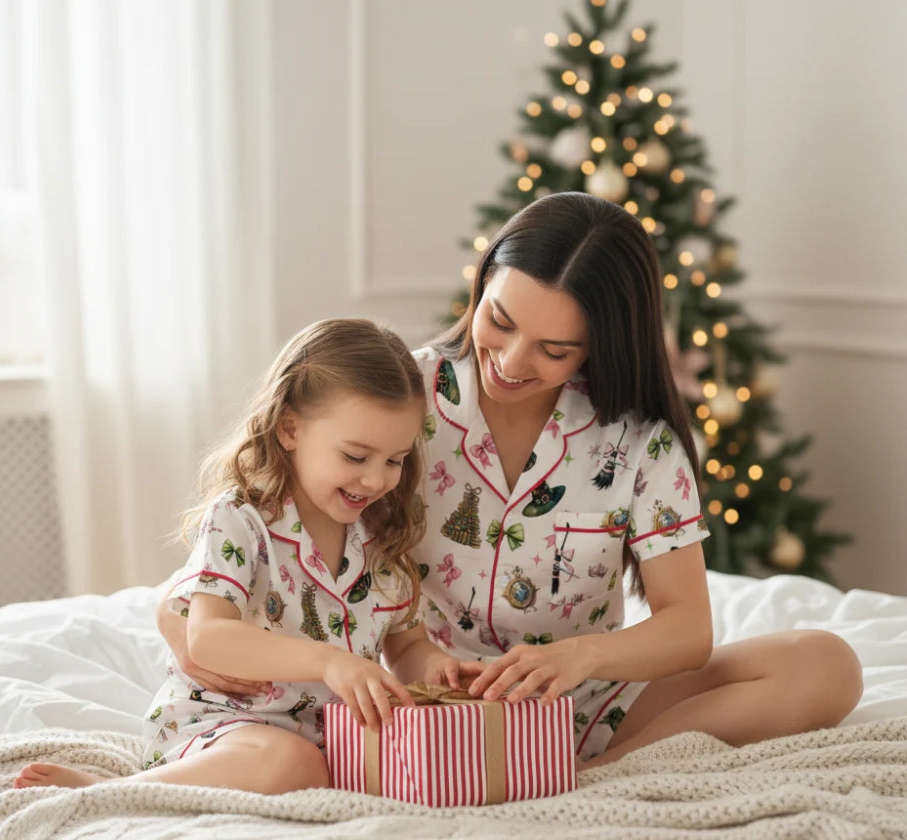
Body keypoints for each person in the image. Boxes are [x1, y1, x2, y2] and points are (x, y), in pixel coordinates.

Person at [159, 193, 863, 771]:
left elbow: (689, 629)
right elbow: (259, 536)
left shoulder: (639, 443)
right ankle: (548, 775)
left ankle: (592, 779)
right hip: (429, 708)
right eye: (499, 320)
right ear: (483, 284)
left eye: (555, 350)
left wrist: (579, 657)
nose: (511, 361)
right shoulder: (400, 398)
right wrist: (181, 627)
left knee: (823, 666)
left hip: (581, 706)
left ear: (601, 344)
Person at [14, 318, 468, 794]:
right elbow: (207, 637)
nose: (376, 480)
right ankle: (116, 793)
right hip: (223, 727)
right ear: (290, 428)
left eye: (394, 460)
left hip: (331, 743)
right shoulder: (242, 518)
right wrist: (330, 661)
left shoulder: (383, 537)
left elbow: (407, 647)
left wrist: (439, 669)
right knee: (290, 761)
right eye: (356, 457)